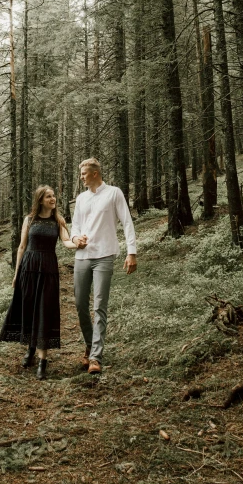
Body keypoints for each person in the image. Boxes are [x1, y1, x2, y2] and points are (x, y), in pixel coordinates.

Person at [0, 185, 77, 380]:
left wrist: (78, 243)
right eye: (48, 196)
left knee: (44, 309)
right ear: (41, 200)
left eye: (54, 196)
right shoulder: (29, 219)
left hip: (49, 269)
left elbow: (66, 241)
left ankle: (43, 361)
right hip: (29, 268)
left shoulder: (58, 220)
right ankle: (31, 348)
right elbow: (22, 246)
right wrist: (17, 274)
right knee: (29, 308)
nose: (53, 199)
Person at [71, 157, 137, 375]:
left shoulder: (114, 193)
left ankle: (95, 357)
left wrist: (131, 252)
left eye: (84, 174)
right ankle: (90, 345)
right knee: (80, 304)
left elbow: (127, 222)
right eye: (81, 174)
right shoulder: (81, 198)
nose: (81, 177)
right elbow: (76, 225)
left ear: (95, 174)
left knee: (99, 305)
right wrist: (75, 238)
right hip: (82, 256)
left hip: (104, 256)